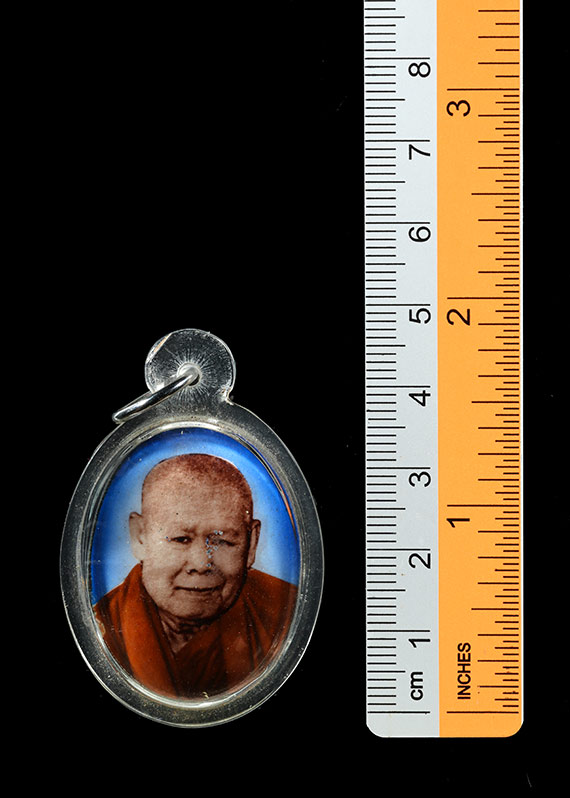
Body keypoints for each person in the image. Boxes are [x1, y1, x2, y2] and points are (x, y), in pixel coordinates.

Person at [93, 453, 297, 699]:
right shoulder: (100, 628)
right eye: (181, 539)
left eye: (222, 541)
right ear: (140, 537)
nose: (201, 564)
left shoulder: (287, 612)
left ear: (251, 543)